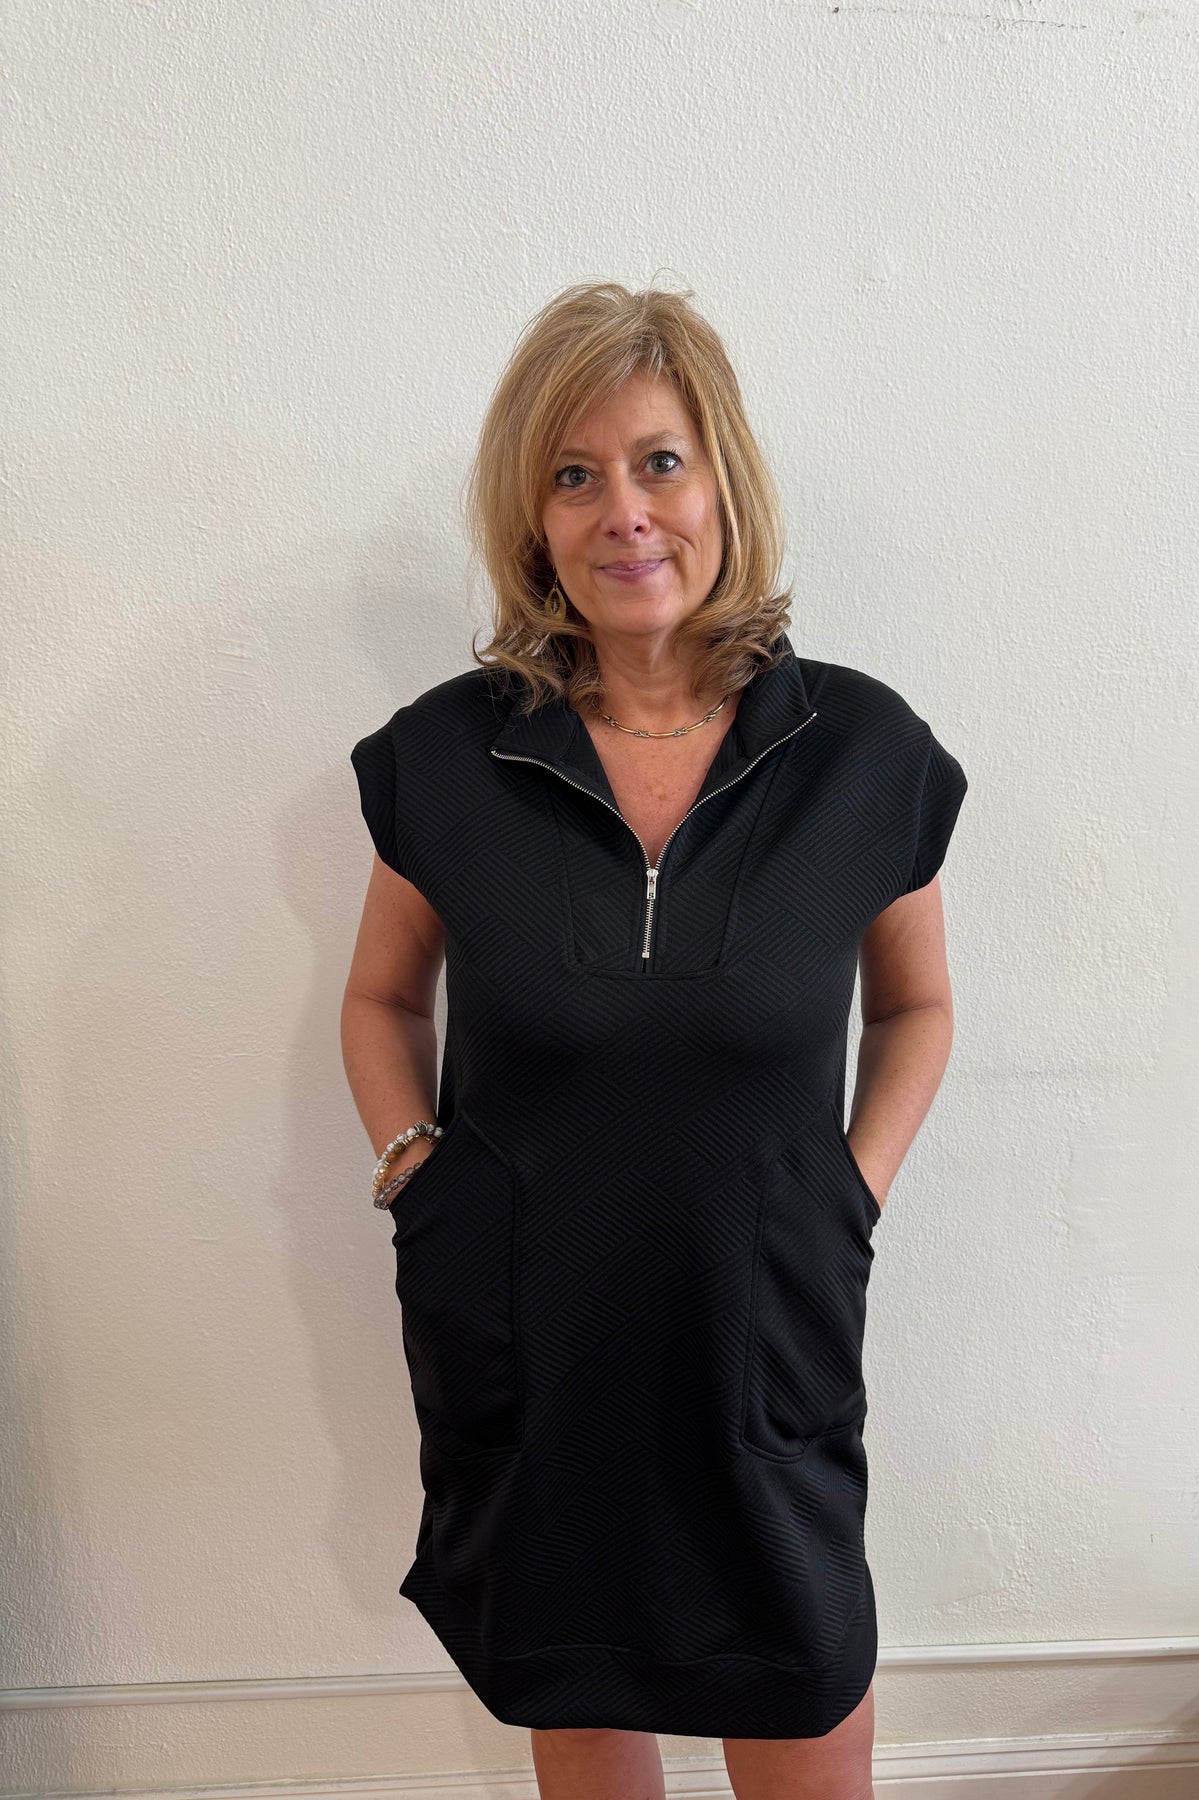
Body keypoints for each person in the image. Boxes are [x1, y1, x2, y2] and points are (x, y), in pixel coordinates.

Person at [341, 280, 968, 1800]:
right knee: (578, 1673)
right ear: (533, 518)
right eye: (575, 475)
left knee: (799, 1662)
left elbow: (917, 1005)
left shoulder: (860, 754)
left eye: (658, 462)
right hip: (533, 1326)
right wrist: (417, 1169)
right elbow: (379, 998)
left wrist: (848, 1192)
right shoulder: (448, 757)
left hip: (763, 1322)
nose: (623, 511)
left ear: (721, 483)